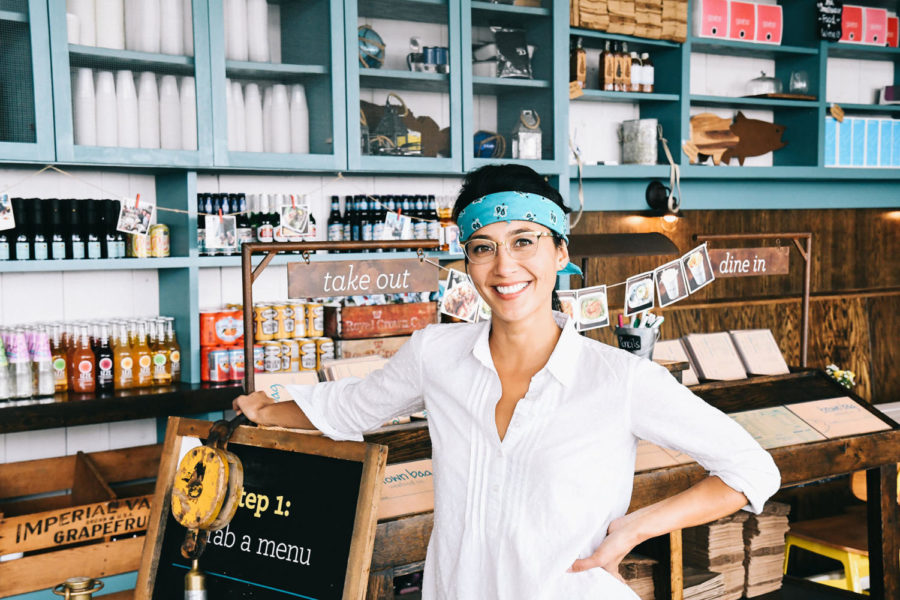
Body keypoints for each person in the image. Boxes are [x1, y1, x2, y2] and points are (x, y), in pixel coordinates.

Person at [234, 164, 781, 599]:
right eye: (483, 247)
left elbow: (752, 470)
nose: (504, 266)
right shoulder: (436, 355)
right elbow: (350, 408)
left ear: (561, 252)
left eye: (524, 241)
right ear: (467, 261)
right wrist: (265, 409)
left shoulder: (619, 378)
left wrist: (635, 529)